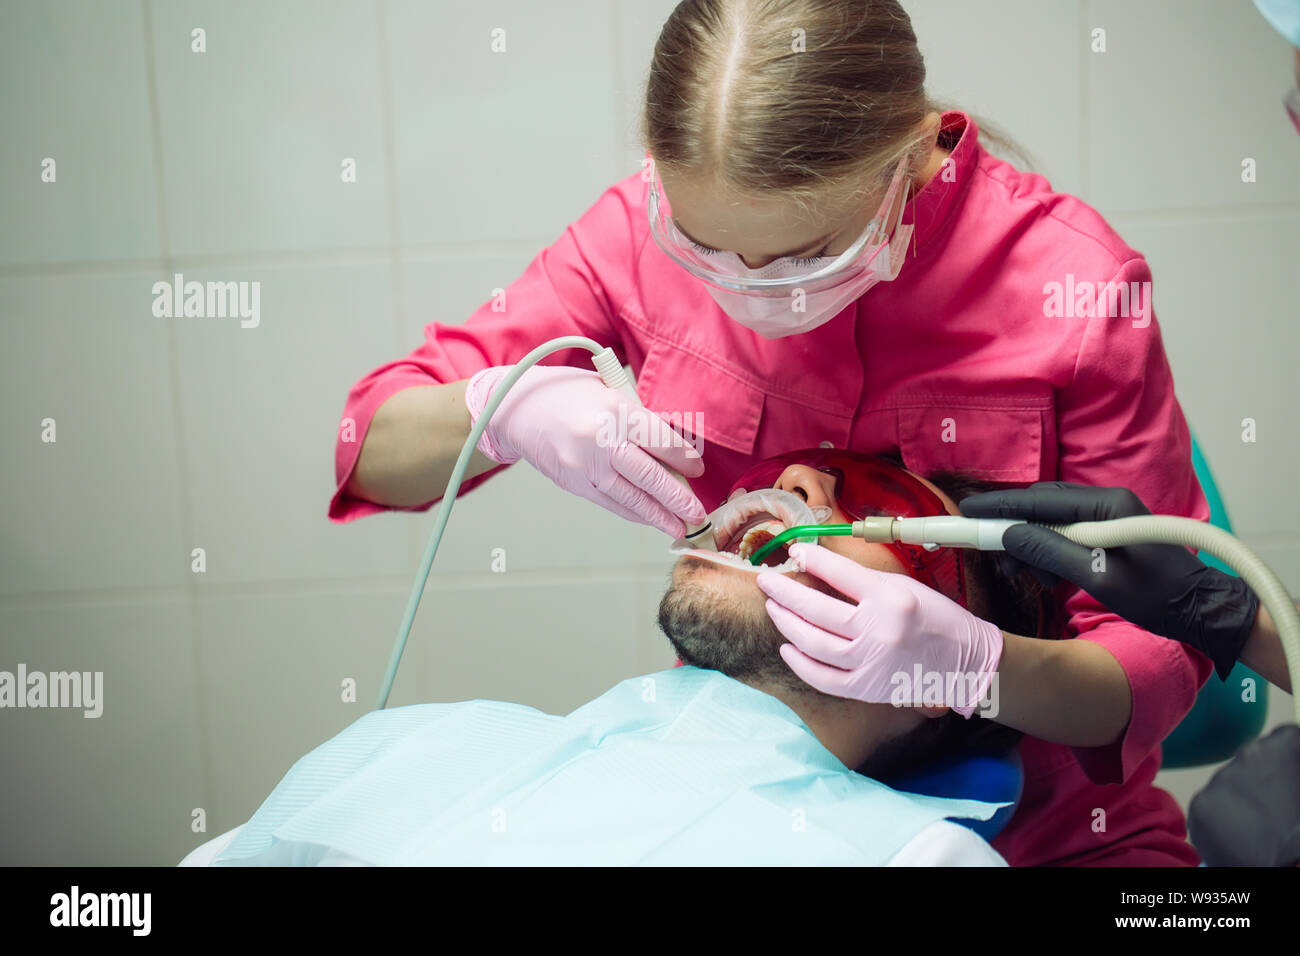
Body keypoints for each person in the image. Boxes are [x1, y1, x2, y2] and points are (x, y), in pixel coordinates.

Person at [332, 0, 1213, 865]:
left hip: (1057, 836)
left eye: (803, 253)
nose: (748, 291)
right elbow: (372, 442)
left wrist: (980, 669)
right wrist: (504, 410)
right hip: (738, 800)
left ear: (905, 153)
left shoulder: (1074, 286)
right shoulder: (627, 237)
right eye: (702, 246)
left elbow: (1165, 649)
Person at [181, 454, 1064, 867]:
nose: (798, 481)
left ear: (939, 672)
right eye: (814, 469)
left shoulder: (908, 860)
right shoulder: (418, 744)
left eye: (878, 510)